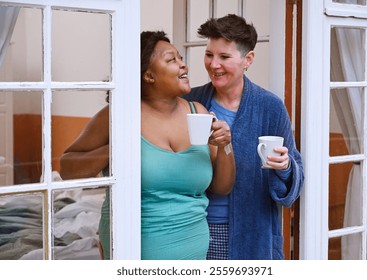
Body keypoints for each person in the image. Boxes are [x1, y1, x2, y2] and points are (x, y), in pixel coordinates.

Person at [60, 30, 236, 260]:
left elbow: (222, 187)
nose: (184, 66)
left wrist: (225, 146)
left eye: (180, 58)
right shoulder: (119, 115)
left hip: (194, 247)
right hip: (133, 249)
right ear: (149, 76)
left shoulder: (198, 112)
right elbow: (67, 169)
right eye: (172, 60)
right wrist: (116, 148)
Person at [183, 14, 304, 260]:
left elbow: (295, 174)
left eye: (224, 57)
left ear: (248, 59)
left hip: (255, 236)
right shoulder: (190, 102)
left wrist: (285, 166)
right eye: (209, 55)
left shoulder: (270, 106)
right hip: (195, 230)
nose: (213, 64)